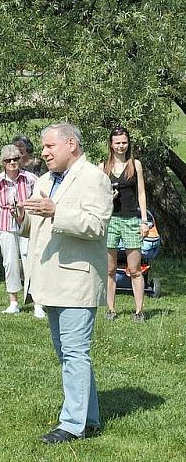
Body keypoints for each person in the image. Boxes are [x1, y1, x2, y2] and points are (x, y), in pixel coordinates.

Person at [20, 122, 112, 444]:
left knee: (74, 353)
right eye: (43, 148)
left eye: (49, 147)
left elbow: (96, 225)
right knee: (69, 354)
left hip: (77, 281)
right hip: (51, 280)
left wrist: (55, 210)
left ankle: (72, 425)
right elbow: (35, 225)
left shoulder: (94, 178)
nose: (43, 153)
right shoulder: (45, 180)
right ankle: (90, 417)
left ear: (71, 144)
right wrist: (22, 214)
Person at [100, 126, 149, 323]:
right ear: (111, 145)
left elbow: (141, 193)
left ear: (128, 144)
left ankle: (139, 310)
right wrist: (108, 197)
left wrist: (144, 221)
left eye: (124, 142)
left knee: (135, 269)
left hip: (130, 219)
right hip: (110, 220)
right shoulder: (103, 166)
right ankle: (111, 309)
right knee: (110, 270)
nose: (121, 146)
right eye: (117, 142)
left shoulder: (135, 164)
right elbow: (96, 195)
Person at [0, 144, 38, 314]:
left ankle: (37, 302)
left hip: (27, 222)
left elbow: (36, 198)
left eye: (16, 159)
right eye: (8, 160)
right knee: (10, 262)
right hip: (5, 222)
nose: (12, 162)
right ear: (3, 162)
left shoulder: (30, 178)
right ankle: (13, 302)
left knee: (29, 259)